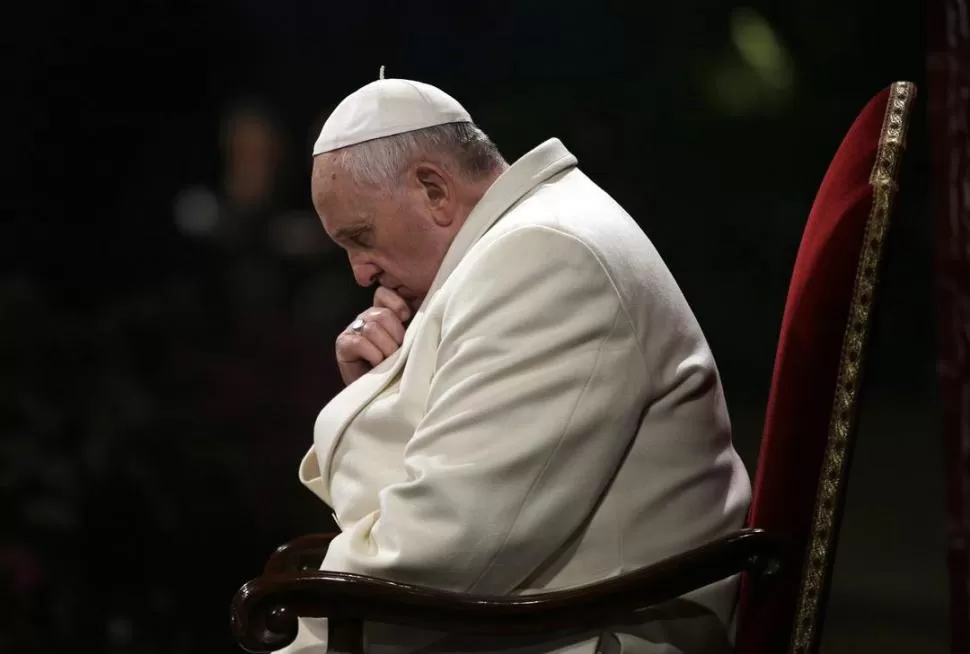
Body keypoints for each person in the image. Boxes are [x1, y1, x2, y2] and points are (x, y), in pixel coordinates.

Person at [282, 76, 751, 654]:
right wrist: (377, 389)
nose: (359, 273)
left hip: (591, 634)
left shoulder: (546, 255)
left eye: (361, 237)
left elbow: (439, 552)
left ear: (434, 189)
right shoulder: (518, 243)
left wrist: (302, 636)